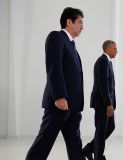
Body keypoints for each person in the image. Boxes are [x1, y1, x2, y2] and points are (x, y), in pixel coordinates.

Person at [25, 7, 85, 160]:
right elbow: (54, 68)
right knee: (43, 143)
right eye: (80, 22)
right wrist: (59, 96)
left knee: (75, 145)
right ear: (69, 22)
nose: (82, 27)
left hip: (73, 107)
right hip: (59, 104)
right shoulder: (56, 37)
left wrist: (77, 105)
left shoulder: (72, 46)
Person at [82, 40, 117, 160]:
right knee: (101, 131)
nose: (116, 51)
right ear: (108, 48)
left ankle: (88, 149)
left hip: (107, 103)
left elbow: (109, 84)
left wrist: (112, 103)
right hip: (103, 104)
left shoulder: (108, 62)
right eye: (114, 48)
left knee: (110, 127)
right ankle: (98, 156)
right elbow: (103, 85)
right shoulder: (102, 61)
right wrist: (108, 104)